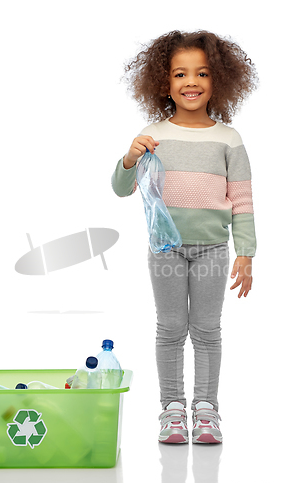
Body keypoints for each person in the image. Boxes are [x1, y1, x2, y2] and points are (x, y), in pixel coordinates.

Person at [111, 30, 259, 444]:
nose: (191, 82)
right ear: (164, 82)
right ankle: (172, 410)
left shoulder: (229, 139)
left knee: (208, 330)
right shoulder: (153, 135)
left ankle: (207, 411)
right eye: (180, 74)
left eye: (202, 73)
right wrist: (129, 158)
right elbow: (123, 189)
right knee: (171, 328)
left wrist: (245, 253)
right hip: (165, 249)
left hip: (213, 248)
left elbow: (243, 200)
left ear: (219, 81)